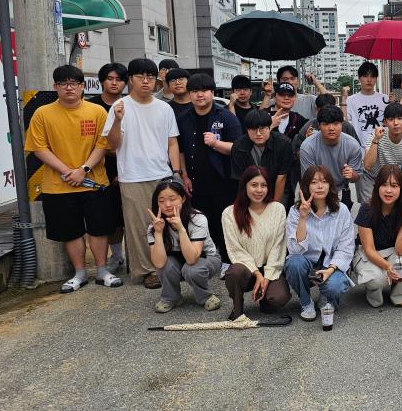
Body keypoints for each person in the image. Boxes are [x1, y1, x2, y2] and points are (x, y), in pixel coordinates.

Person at [24, 65, 120, 293]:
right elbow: (38, 147)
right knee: (70, 231)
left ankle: (102, 270)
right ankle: (79, 273)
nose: (69, 88)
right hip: (58, 186)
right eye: (63, 83)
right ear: (55, 87)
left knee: (99, 229)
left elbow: (103, 144)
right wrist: (68, 171)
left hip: (95, 183)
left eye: (74, 83)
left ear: (82, 86)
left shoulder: (96, 111)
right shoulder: (42, 113)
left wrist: (83, 169)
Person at [102, 58, 181, 289]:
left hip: (162, 174)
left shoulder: (164, 108)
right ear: (131, 80)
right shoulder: (119, 107)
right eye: (140, 77)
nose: (146, 81)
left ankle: (169, 265)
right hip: (132, 176)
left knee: (167, 222)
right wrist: (117, 120)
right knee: (138, 227)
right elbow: (112, 145)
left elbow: (172, 143)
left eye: (150, 77)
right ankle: (148, 270)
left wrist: (176, 172)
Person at [176, 73, 242, 279]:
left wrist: (216, 143)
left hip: (223, 182)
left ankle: (227, 261)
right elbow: (180, 151)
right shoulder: (183, 118)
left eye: (204, 90)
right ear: (189, 94)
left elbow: (239, 148)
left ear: (212, 92)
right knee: (199, 222)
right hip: (195, 182)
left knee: (224, 223)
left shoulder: (226, 117)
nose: (199, 95)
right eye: (195, 91)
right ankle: (207, 259)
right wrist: (184, 176)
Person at [285, 166, 355, 330]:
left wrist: (330, 270)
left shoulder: (341, 210)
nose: (320, 186)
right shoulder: (295, 211)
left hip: (331, 264)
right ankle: (305, 302)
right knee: (294, 263)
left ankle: (327, 297)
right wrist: (303, 218)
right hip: (306, 263)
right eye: (314, 182)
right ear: (306, 186)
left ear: (330, 185)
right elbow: (294, 250)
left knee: (336, 285)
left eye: (324, 181)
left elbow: (346, 247)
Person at [222, 166, 291, 318]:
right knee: (234, 273)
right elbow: (235, 250)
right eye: (254, 185)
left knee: (279, 298)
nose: (259, 190)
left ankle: (266, 299)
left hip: (269, 266)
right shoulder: (229, 213)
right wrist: (257, 274)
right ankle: (238, 307)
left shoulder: (278, 209)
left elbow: (278, 246)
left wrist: (266, 277)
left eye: (264, 185)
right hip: (246, 269)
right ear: (245, 186)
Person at [147, 179, 221, 313]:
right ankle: (171, 298)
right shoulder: (154, 226)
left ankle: (206, 296)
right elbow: (158, 263)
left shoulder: (197, 219)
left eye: (172, 199)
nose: (167, 204)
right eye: (161, 200)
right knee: (165, 265)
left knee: (192, 269)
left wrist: (181, 229)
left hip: (205, 258)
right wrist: (158, 232)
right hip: (176, 260)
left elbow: (192, 259)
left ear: (183, 198)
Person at [354, 165, 402, 307]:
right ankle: (373, 293)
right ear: (377, 187)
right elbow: (369, 249)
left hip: (393, 251)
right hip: (370, 254)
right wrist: (387, 267)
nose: (388, 190)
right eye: (384, 185)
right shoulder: (366, 209)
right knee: (376, 279)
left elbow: (400, 251)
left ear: (401, 189)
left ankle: (398, 295)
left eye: (394, 186)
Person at [86, 62, 127, 273]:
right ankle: (117, 256)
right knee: (109, 215)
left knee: (129, 215)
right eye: (110, 78)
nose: (114, 83)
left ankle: (134, 258)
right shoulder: (90, 106)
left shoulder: (129, 104)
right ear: (102, 81)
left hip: (128, 165)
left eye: (119, 79)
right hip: (99, 167)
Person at [299, 105, 363, 209]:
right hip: (316, 189)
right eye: (326, 124)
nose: (331, 128)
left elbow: (357, 177)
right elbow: (308, 179)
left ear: (342, 124)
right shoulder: (307, 147)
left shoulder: (352, 145)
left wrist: (351, 174)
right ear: (319, 126)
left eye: (336, 123)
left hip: (341, 189)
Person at [230, 110, 293, 207]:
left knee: (278, 210)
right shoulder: (238, 146)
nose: (258, 133)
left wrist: (275, 207)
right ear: (247, 129)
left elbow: (281, 177)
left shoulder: (283, 143)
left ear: (269, 128)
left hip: (276, 186)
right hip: (250, 190)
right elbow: (241, 180)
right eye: (253, 129)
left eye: (262, 128)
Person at [362, 102, 402, 201]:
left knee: (394, 207)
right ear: (385, 122)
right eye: (391, 119)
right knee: (369, 207)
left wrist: (401, 190)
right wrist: (376, 140)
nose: (395, 123)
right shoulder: (375, 135)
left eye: (400, 118)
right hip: (372, 177)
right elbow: (367, 165)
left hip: (393, 180)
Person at [346, 61, 389, 147]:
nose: (369, 80)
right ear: (359, 78)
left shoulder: (385, 98)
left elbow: (389, 122)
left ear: (376, 78)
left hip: (381, 146)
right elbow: (346, 123)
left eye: (372, 76)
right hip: (359, 147)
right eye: (365, 76)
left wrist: (392, 103)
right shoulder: (351, 100)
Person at [261, 65, 325, 120]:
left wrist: (315, 81)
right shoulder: (274, 101)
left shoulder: (310, 99)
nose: (289, 82)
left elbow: (328, 100)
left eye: (292, 78)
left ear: (298, 81)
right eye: (285, 79)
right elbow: (260, 118)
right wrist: (267, 95)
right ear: (279, 82)